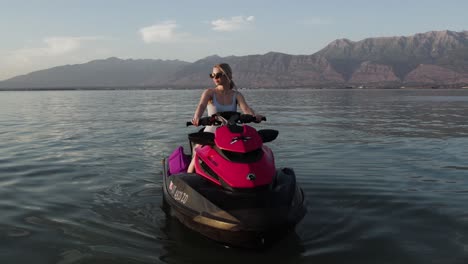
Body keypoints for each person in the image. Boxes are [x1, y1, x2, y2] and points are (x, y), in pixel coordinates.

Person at [187, 63, 263, 173]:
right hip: (211, 134)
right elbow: (201, 106)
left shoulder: (237, 95)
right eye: (212, 75)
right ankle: (188, 177)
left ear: (228, 75)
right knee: (196, 155)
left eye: (218, 75)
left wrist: (255, 116)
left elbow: (246, 109)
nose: (215, 78)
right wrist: (197, 117)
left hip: (230, 135)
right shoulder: (209, 93)